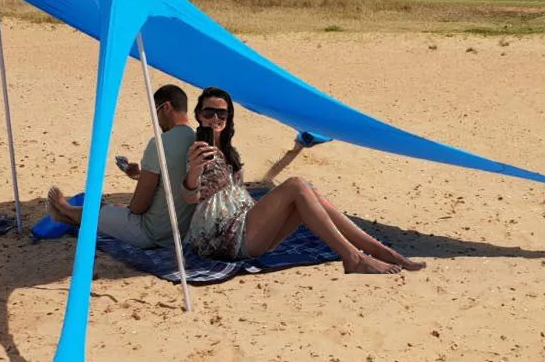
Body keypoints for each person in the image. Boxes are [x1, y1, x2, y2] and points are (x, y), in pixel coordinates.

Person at [181, 88, 424, 274]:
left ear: (228, 116)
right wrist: (194, 172)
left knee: (308, 191)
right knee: (296, 185)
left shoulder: (228, 150)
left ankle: (378, 250)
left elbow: (236, 194)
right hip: (221, 238)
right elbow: (191, 197)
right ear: (199, 116)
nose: (215, 118)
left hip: (247, 229)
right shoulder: (196, 151)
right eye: (208, 112)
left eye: (221, 113)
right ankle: (354, 257)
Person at [46, 84, 196, 249]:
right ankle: (63, 217)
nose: (156, 120)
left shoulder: (160, 144)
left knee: (102, 210)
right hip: (181, 234)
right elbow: (174, 178)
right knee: (117, 209)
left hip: (154, 234)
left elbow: (138, 207)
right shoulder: (198, 142)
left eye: (156, 112)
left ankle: (65, 210)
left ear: (167, 107)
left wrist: (129, 208)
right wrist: (139, 176)